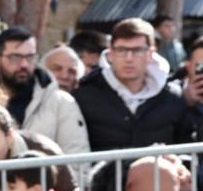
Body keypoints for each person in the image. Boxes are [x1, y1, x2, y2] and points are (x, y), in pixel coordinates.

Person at [0, 26, 89, 157]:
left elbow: (76, 156)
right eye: (15, 57)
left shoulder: (61, 102)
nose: (24, 65)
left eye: (30, 57)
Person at [73, 18, 190, 152]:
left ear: (150, 54)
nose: (129, 58)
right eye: (121, 50)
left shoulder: (172, 97)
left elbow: (185, 149)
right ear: (110, 54)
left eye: (137, 50)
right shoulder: (84, 96)